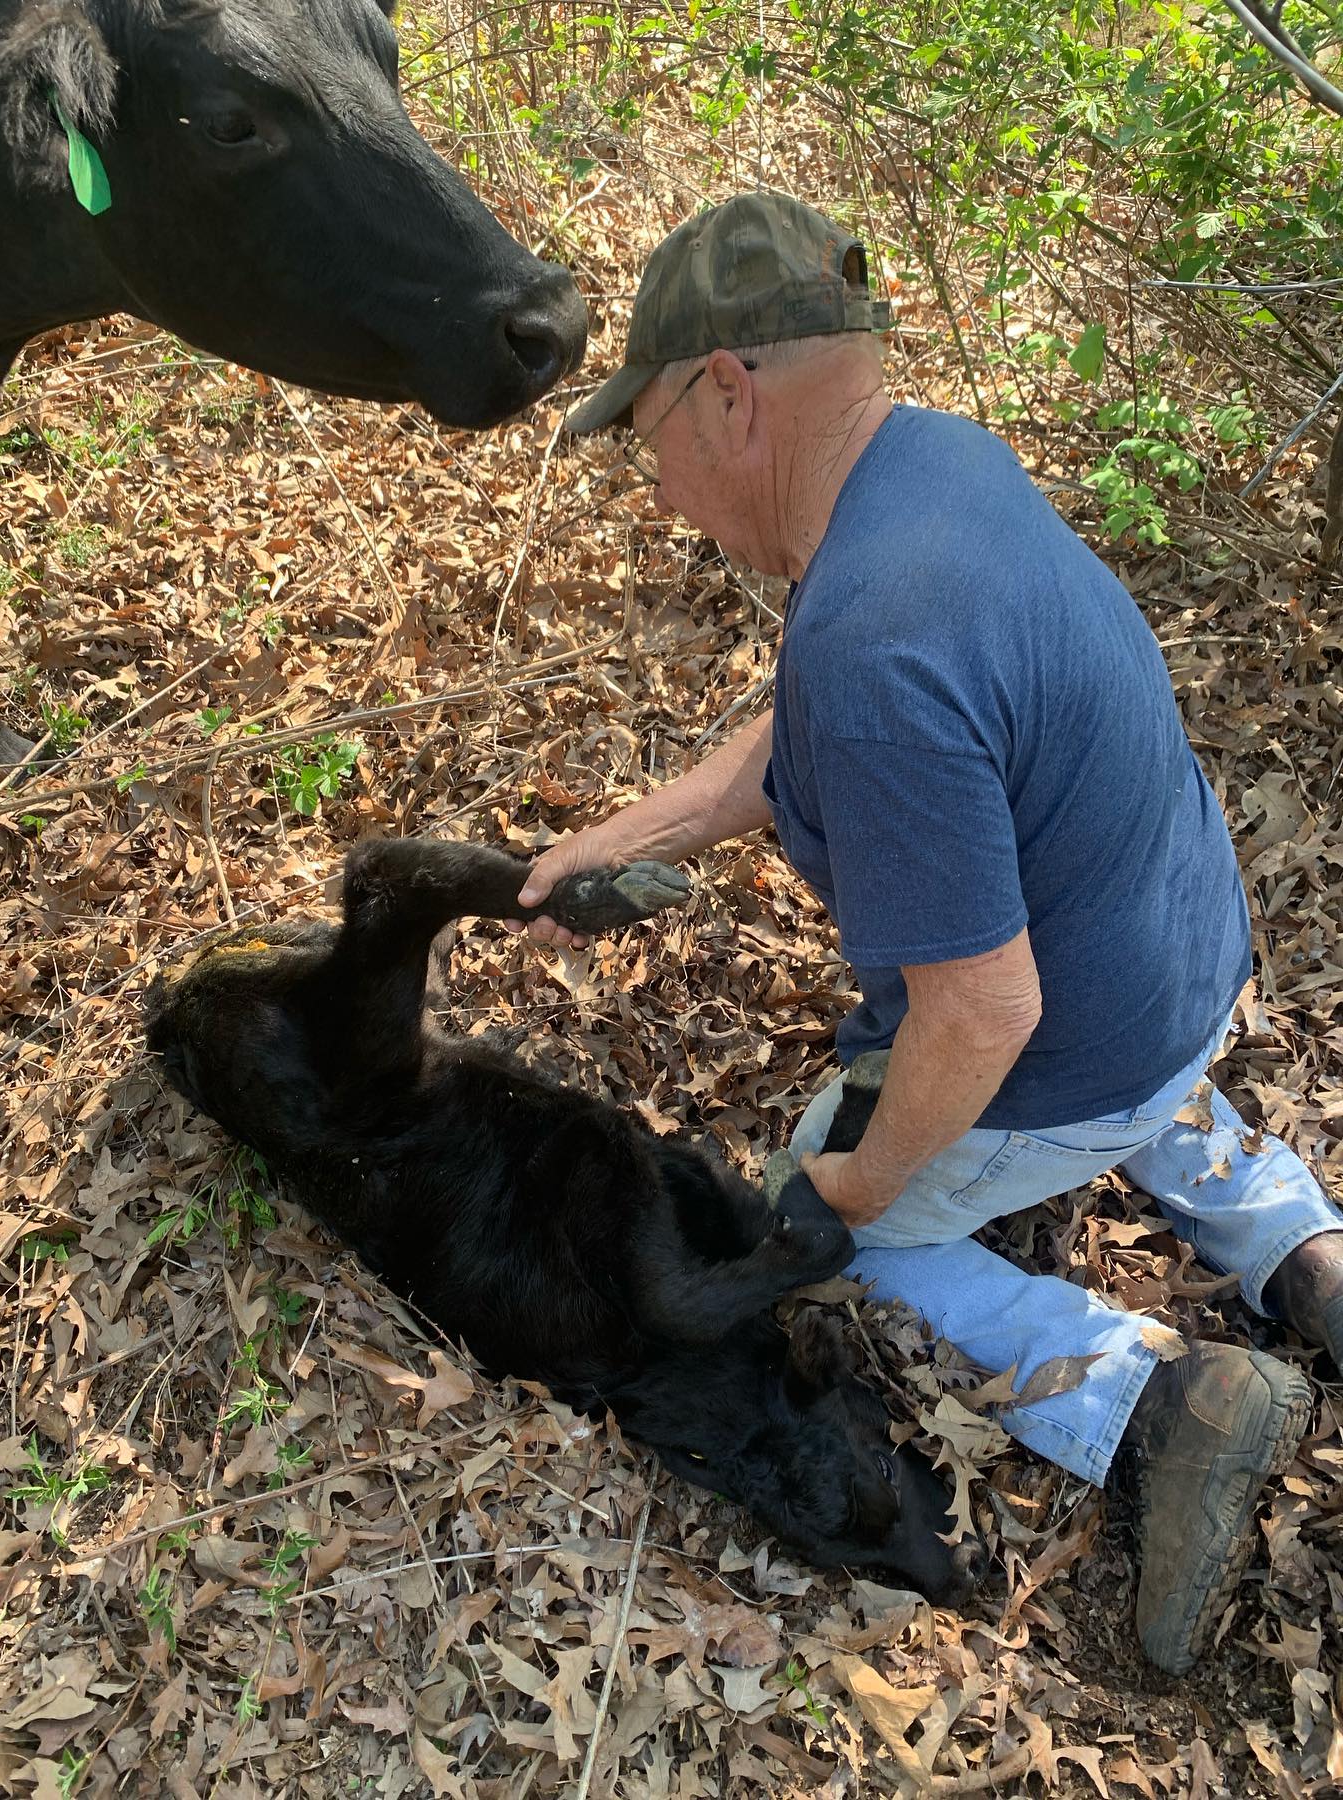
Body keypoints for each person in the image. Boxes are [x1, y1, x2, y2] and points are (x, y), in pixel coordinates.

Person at [505, 190, 1343, 1675]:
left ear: (726, 392)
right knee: (1087, 1066)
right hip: (1186, 949)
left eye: (651, 446)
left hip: (1075, 1035)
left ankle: (1150, 1401)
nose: (659, 491)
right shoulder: (928, 471)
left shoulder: (873, 634)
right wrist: (629, 836)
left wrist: (857, 1182)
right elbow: (806, 729)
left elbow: (980, 1014)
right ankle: (1300, 1250)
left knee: (826, 1229)